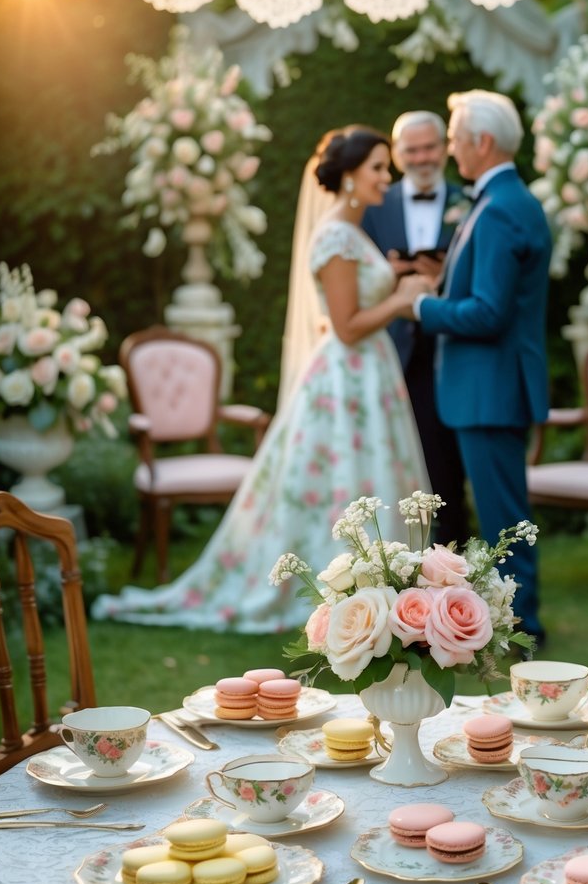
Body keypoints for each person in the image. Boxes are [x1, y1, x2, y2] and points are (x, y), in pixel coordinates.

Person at [93, 126, 430, 633]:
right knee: (344, 481)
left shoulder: (352, 231)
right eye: (378, 167)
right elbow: (347, 326)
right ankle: (346, 589)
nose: (389, 176)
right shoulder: (337, 234)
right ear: (349, 176)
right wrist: (402, 300)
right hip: (347, 378)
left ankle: (384, 589)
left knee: (371, 478)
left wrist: (395, 280)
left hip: (369, 377)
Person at [403, 90, 551, 643]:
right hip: (485, 388)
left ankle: (522, 626)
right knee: (503, 519)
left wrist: (421, 306)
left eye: (455, 138)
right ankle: (512, 621)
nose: (450, 148)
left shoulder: (501, 209)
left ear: (481, 143)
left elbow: (488, 313)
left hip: (489, 389)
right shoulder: (502, 201)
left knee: (506, 523)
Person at [361, 110, 470, 546]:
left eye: (430, 147)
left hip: (451, 344)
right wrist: (391, 272)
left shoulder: (469, 199)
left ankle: (455, 551)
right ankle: (393, 550)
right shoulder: (375, 202)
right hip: (391, 348)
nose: (422, 157)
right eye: (412, 150)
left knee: (448, 460)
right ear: (397, 154)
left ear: (444, 148)